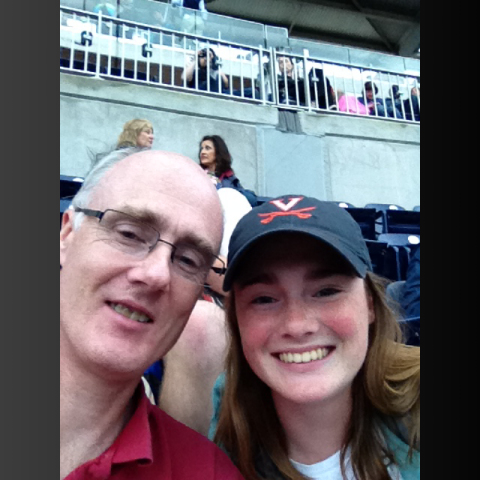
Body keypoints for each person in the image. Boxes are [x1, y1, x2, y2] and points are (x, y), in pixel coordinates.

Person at [60, 147, 244, 479]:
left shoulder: (209, 473)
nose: (157, 274)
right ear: (67, 234)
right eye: (129, 234)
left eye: (188, 260)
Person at [212, 195, 420, 479]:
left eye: (326, 292)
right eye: (264, 299)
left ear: (370, 303)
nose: (297, 325)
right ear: (236, 319)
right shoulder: (217, 449)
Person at [199, 135, 257, 207]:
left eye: (207, 148)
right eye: (202, 149)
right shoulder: (198, 175)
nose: (202, 152)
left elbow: (251, 200)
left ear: (218, 152)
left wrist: (231, 194)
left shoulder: (229, 177)